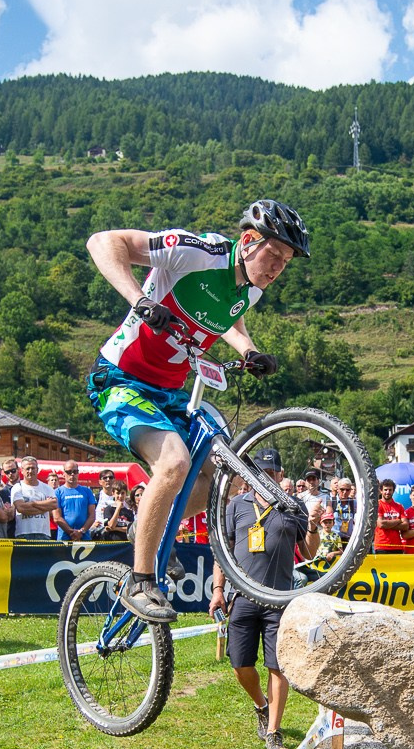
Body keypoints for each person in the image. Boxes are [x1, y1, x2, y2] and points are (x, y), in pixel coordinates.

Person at [83, 199, 305, 622]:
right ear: (247, 241)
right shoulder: (197, 251)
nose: (277, 267)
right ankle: (140, 579)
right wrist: (139, 300)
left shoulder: (251, 290)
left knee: (220, 481)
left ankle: (146, 528)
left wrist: (250, 351)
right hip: (120, 379)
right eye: (273, 254)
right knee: (174, 462)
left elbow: (230, 320)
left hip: (171, 392)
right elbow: (103, 242)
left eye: (286, 261)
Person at [209, 446, 322, 749]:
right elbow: (224, 551)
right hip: (242, 595)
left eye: (273, 473)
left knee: (277, 666)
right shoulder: (236, 506)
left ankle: (273, 731)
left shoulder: (293, 505)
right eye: (261, 472)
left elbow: (310, 552)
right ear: (252, 474)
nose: (267, 478)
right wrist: (218, 589)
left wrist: (312, 525)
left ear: (281, 475)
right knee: (240, 664)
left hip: (278, 597)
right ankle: (261, 704)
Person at [8, 456, 57, 539]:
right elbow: (21, 508)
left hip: (44, 533)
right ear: (22, 470)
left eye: (33, 468)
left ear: (37, 469)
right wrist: (45, 506)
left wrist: (31, 504)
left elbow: (54, 505)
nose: (30, 471)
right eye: (27, 469)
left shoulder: (47, 488)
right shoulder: (17, 487)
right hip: (23, 533)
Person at [54, 467, 97, 541]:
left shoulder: (87, 491)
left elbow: (92, 516)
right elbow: (57, 517)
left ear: (78, 473)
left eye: (75, 471)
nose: (72, 474)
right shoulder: (58, 492)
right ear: (64, 474)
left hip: (84, 537)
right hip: (64, 537)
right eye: (69, 472)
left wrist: (81, 532)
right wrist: (71, 532)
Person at [373, 478, 409, 553]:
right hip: (381, 546)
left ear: (393, 491)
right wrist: (398, 521)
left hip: (397, 546)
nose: (388, 492)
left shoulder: (399, 506)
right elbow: (381, 524)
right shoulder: (377, 505)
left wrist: (388, 524)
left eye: (390, 490)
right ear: (381, 490)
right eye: (385, 490)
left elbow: (405, 526)